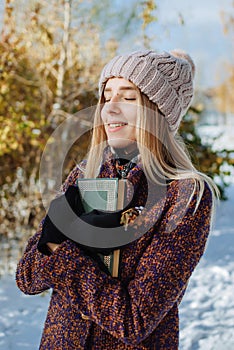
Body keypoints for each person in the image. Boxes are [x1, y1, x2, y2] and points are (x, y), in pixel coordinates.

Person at [16, 49, 219, 349]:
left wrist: (65, 253)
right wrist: (50, 241)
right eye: (107, 96)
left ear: (158, 113)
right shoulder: (84, 176)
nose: (110, 109)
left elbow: (133, 320)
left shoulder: (185, 196)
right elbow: (27, 278)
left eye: (127, 97)